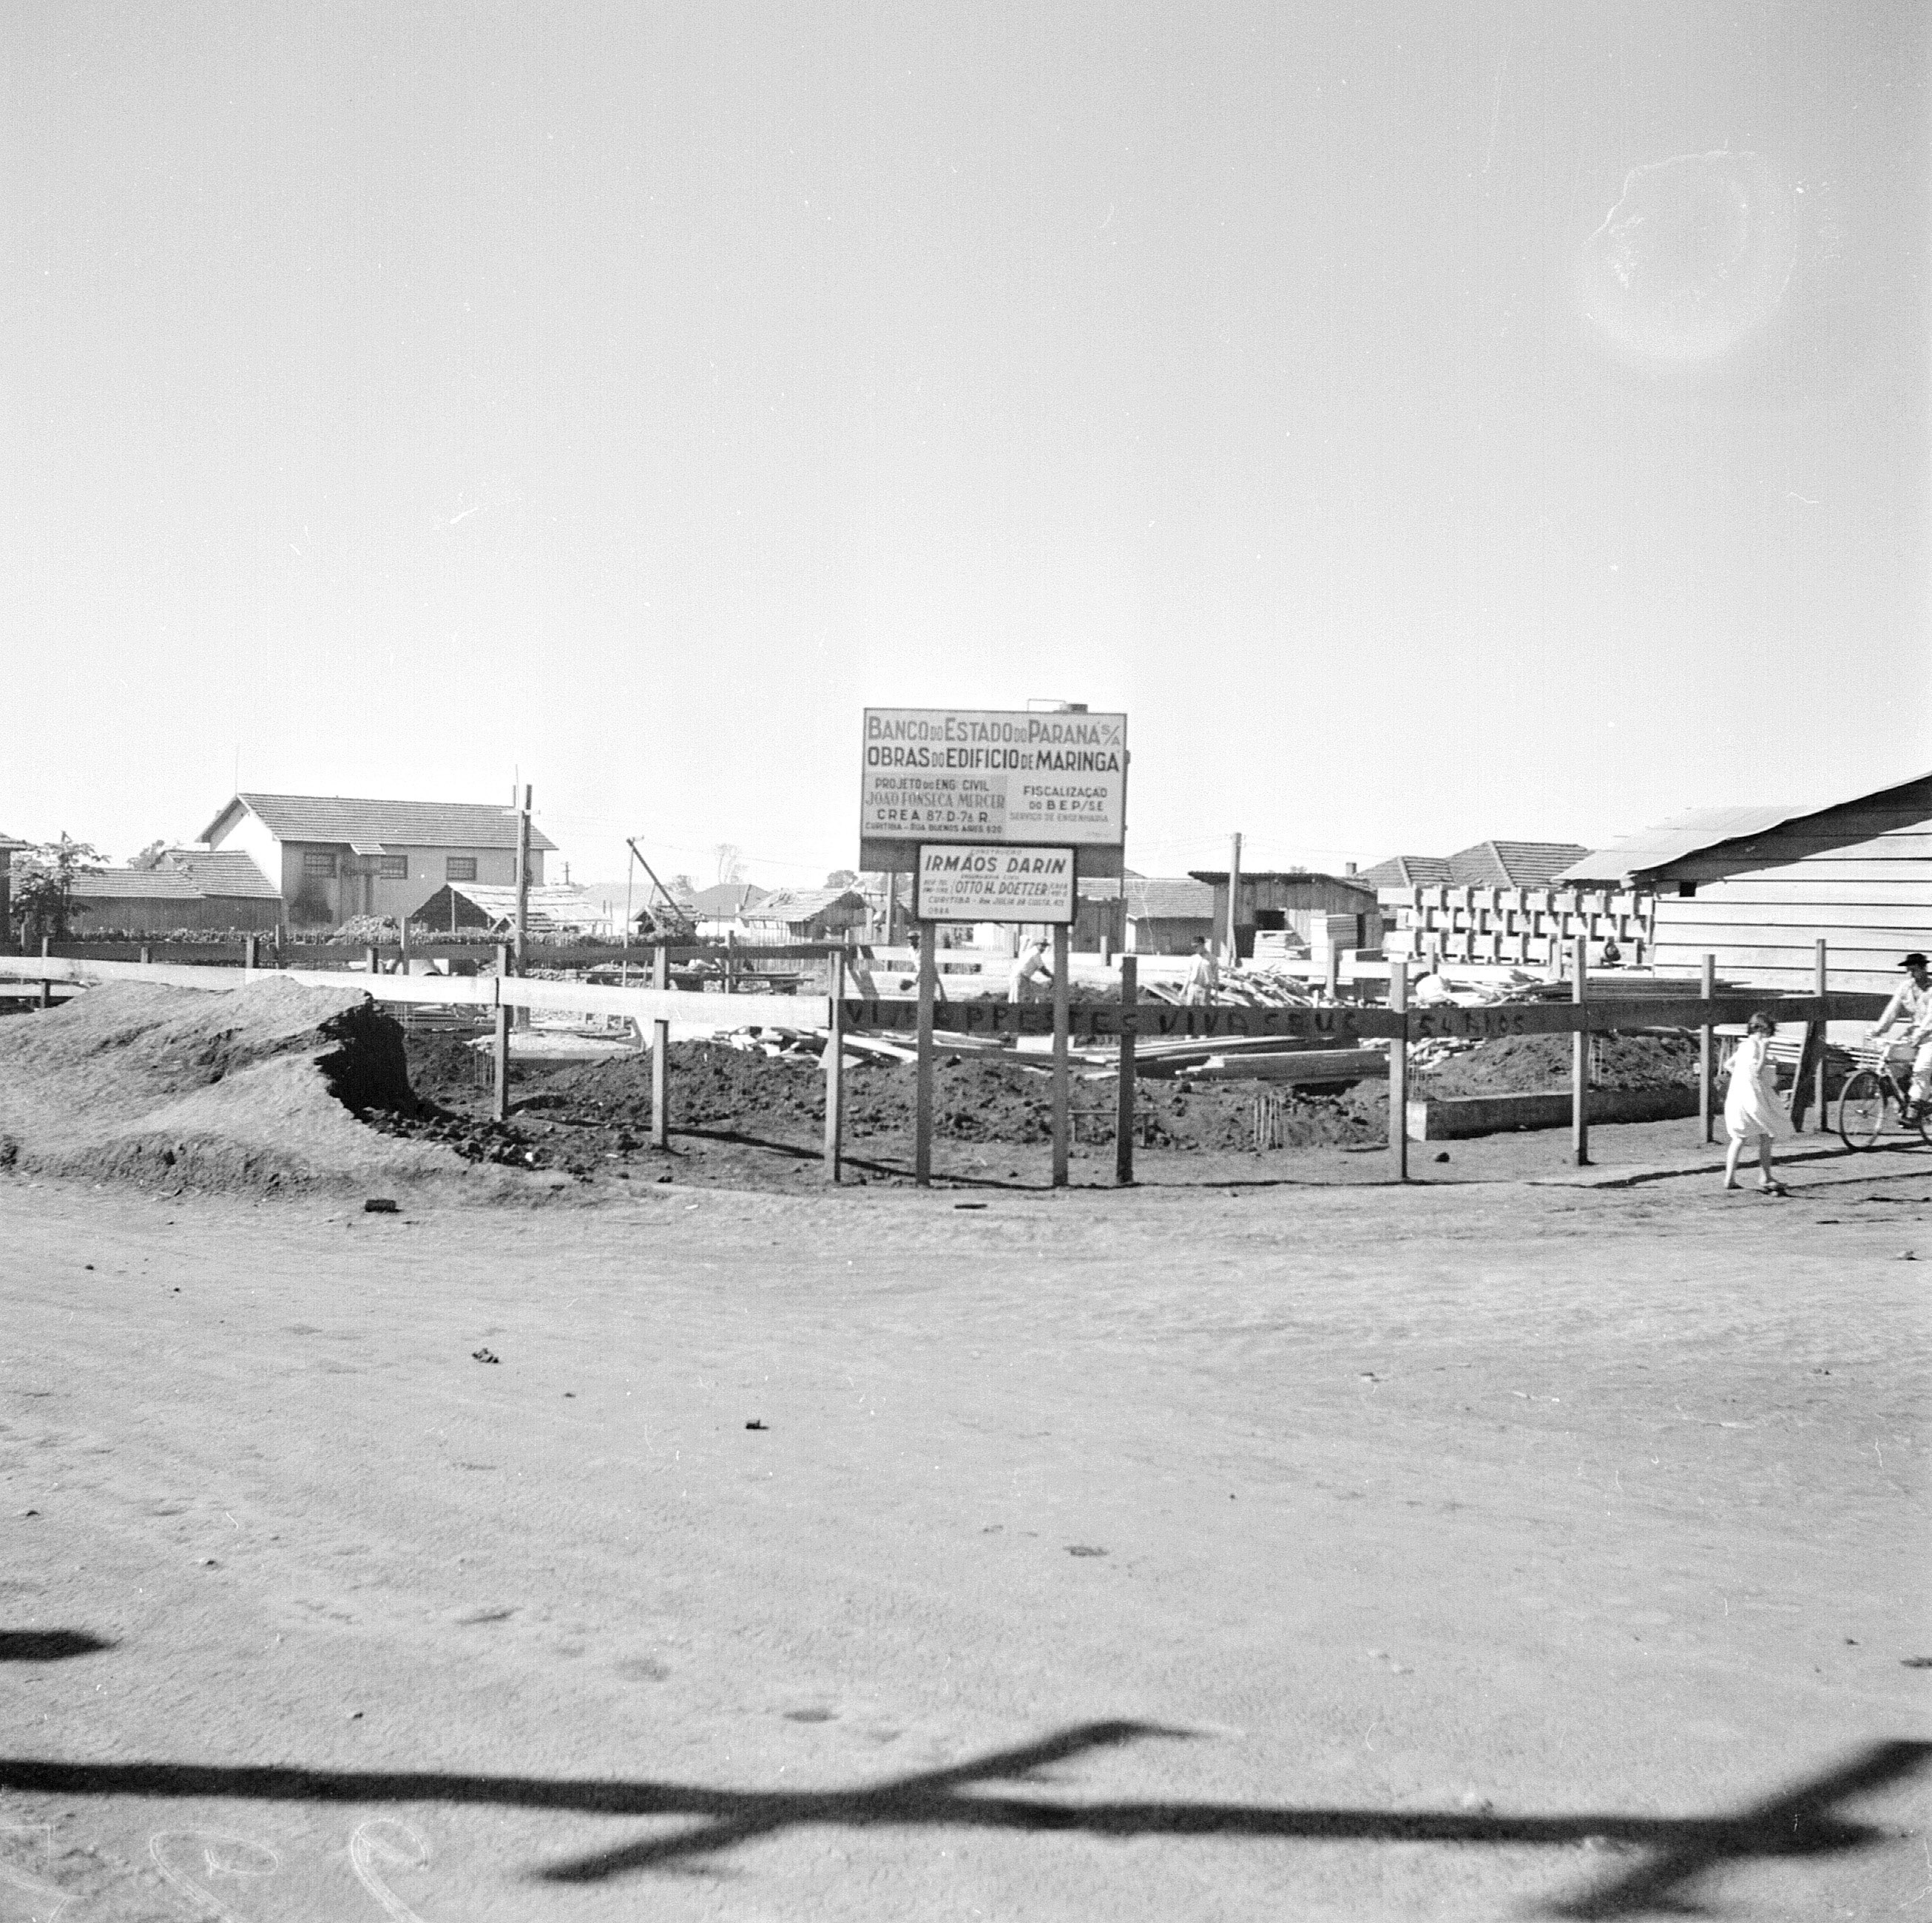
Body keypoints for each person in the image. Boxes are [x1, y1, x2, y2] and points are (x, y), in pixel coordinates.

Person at [1723, 1010, 1789, 1195]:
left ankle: (1730, 1178)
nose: (1768, 1035)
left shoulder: (1744, 1045)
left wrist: (1741, 1076)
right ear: (1761, 1029)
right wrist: (1765, 1053)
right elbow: (1758, 1071)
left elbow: (1728, 1065)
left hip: (1738, 1094)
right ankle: (1765, 1176)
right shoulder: (1757, 1046)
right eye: (1767, 1031)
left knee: (1739, 1137)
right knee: (1768, 1134)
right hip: (1754, 1096)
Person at [1869, 951, 1932, 1120]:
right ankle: (1909, 1096)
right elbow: (1892, 1010)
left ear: (1924, 969)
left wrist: (1919, 1035)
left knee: (1922, 1069)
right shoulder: (1906, 988)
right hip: (1914, 1033)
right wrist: (1878, 1030)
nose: (1911, 974)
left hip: (1930, 1035)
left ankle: (1915, 1110)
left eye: (1914, 970)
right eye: (1908, 970)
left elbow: (1930, 1018)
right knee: (1892, 1057)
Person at [1008, 935, 1053, 1003]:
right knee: (1021, 1001)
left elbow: (1039, 968)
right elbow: (1042, 969)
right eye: (1042, 946)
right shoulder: (1035, 953)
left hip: (1022, 977)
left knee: (1028, 998)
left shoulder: (1032, 952)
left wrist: (1050, 976)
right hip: (1020, 977)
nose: (1044, 948)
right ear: (1037, 945)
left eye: (1045, 946)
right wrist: (1052, 976)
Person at [1181, 935, 1219, 1005]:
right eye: (1193, 947)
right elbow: (1188, 976)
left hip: (1205, 990)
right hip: (1192, 989)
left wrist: (1216, 994)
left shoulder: (1212, 958)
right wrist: (1183, 991)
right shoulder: (1193, 958)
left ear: (1203, 945)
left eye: (1196, 946)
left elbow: (1216, 978)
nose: (1195, 949)